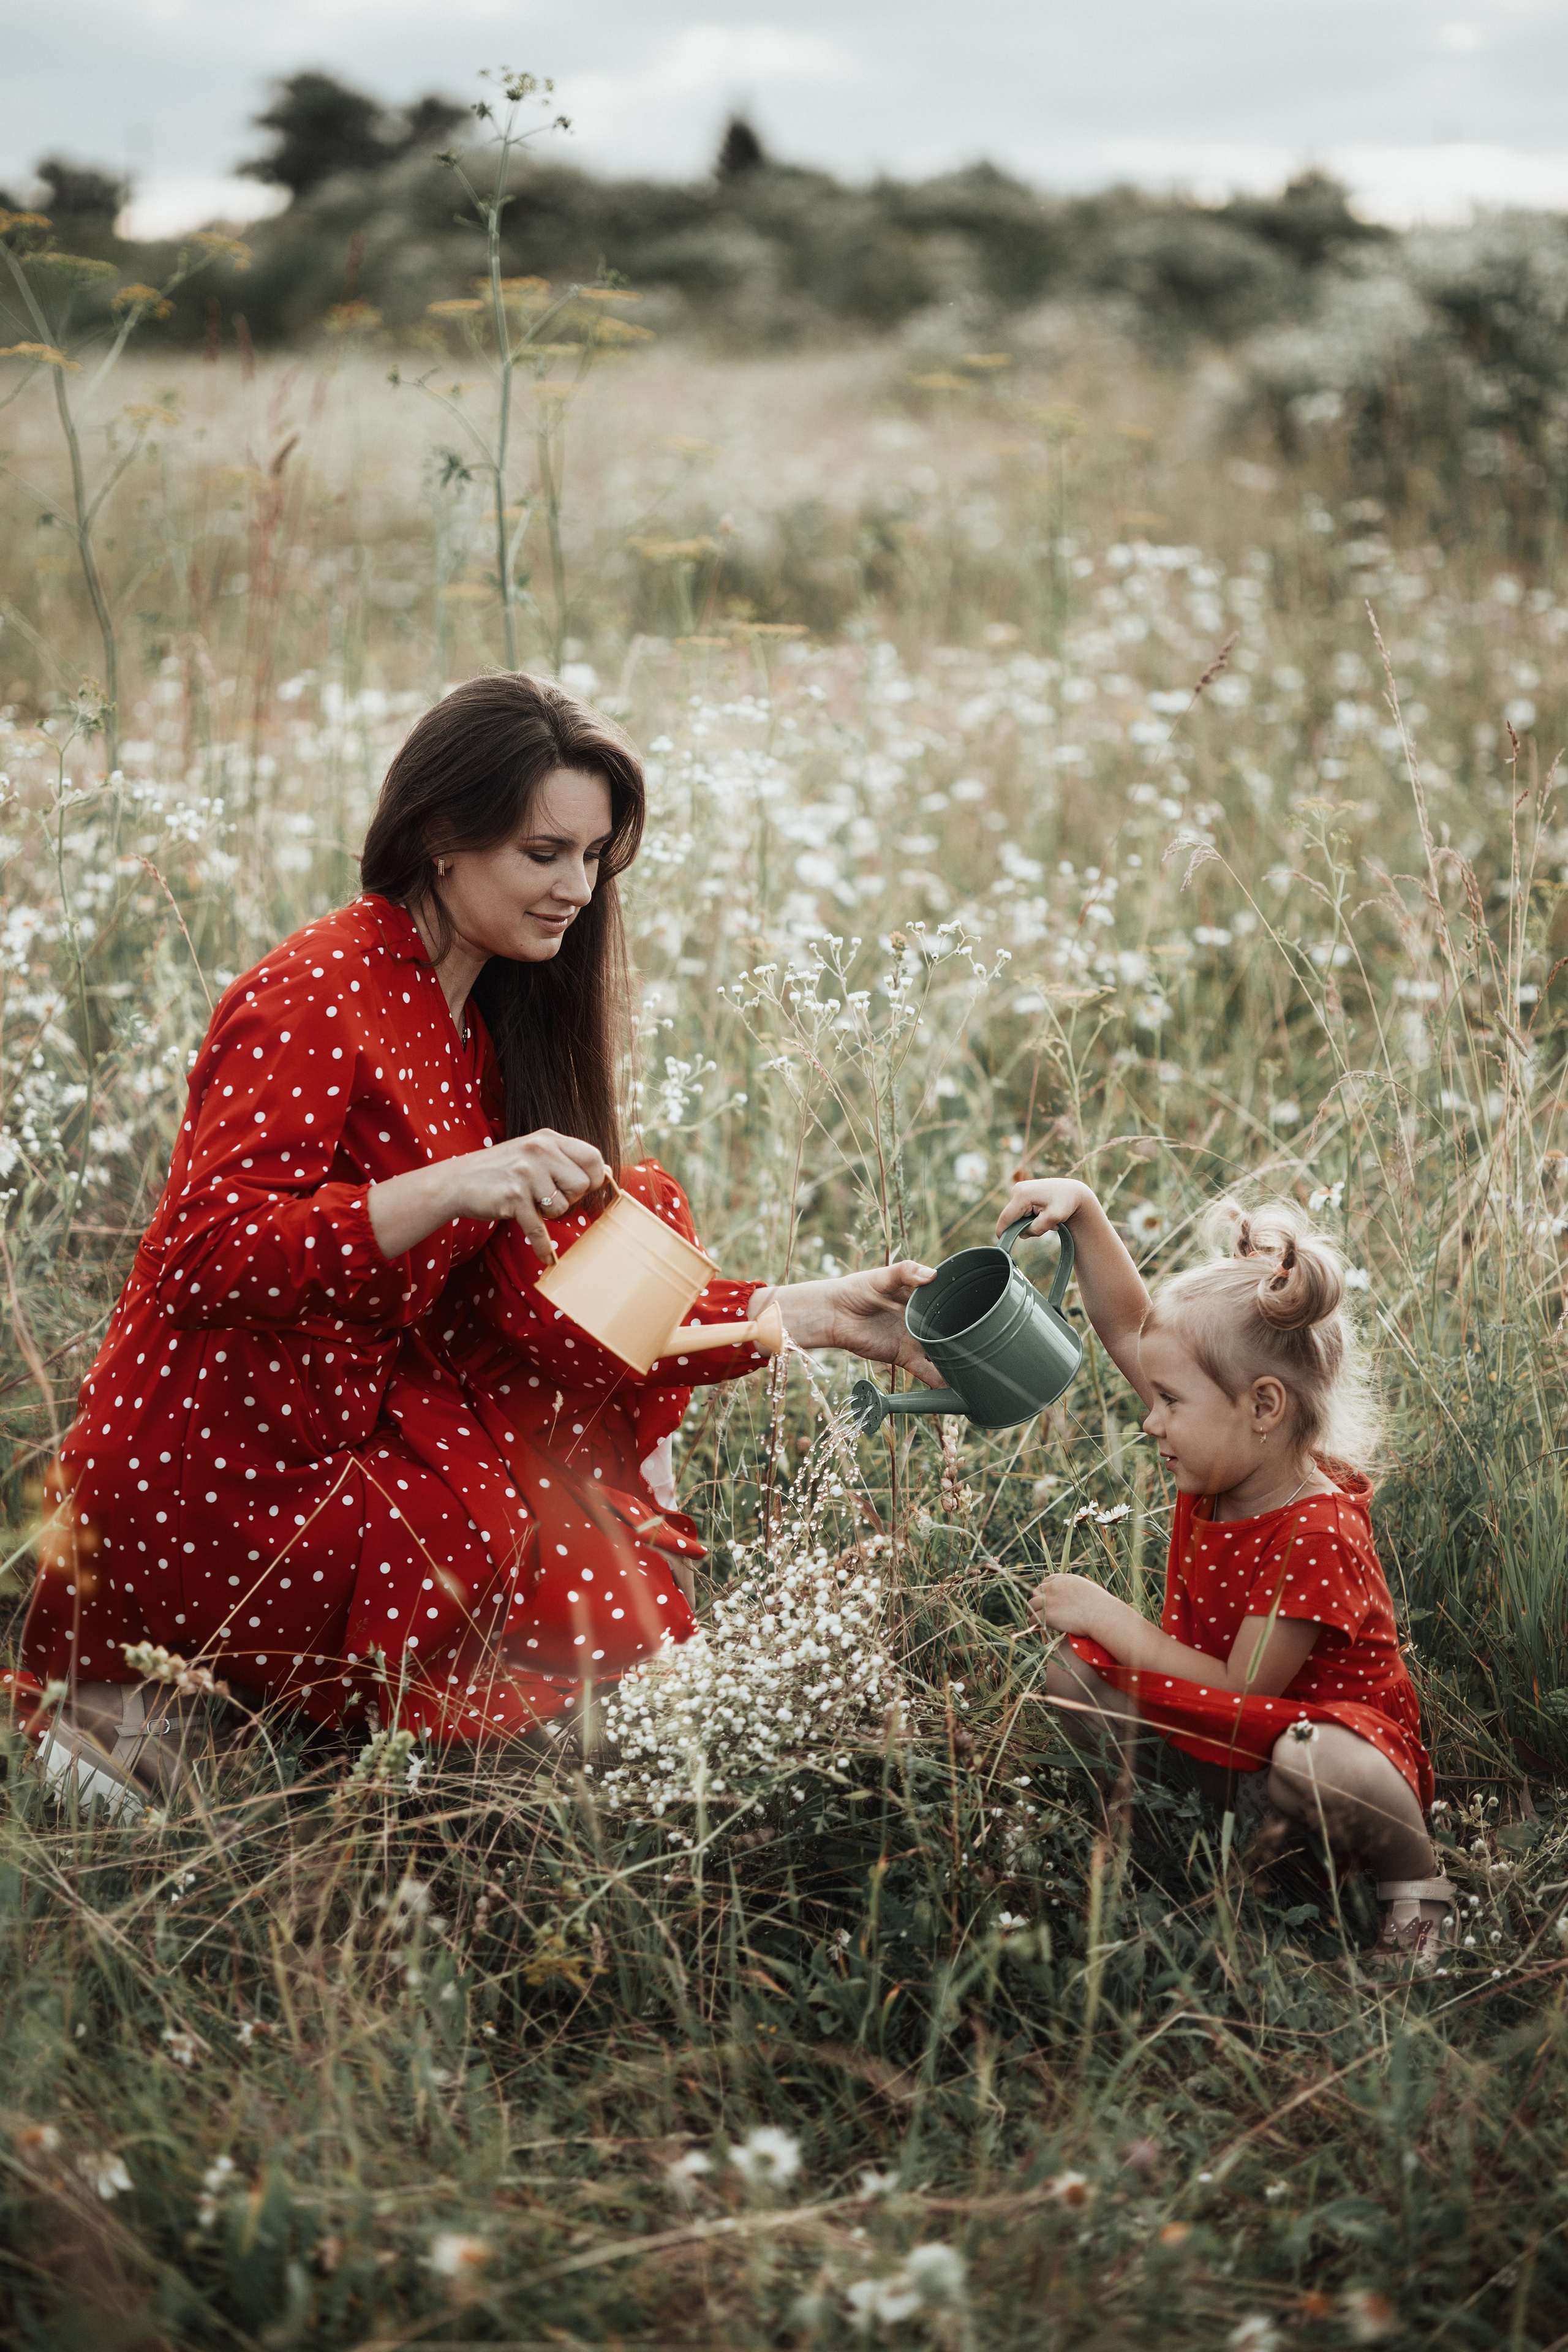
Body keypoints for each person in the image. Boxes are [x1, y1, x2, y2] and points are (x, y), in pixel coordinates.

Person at [17, 674, 938, 1805]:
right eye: (543, 853)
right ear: (441, 838)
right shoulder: (317, 988)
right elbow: (208, 1254)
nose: (577, 889)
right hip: (226, 1458)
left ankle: (310, 1732)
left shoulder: (477, 1018)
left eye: (593, 857)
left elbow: (546, 1299)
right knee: (522, 1581)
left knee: (607, 1321)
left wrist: (810, 1314)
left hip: (353, 1411)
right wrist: (448, 1185)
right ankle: (196, 1713)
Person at [998, 1177, 1452, 1976]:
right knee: (1073, 1673)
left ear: (1264, 1407)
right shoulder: (1222, 1454)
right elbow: (1130, 1327)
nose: (1151, 1421)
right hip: (1231, 1750)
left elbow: (1246, 1692)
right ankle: (1163, 1842)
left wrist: (1111, 1617)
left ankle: (1414, 1888)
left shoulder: (1315, 1530)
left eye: (1170, 1401)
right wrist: (1086, 1212)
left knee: (1314, 1755)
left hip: (1321, 1773)